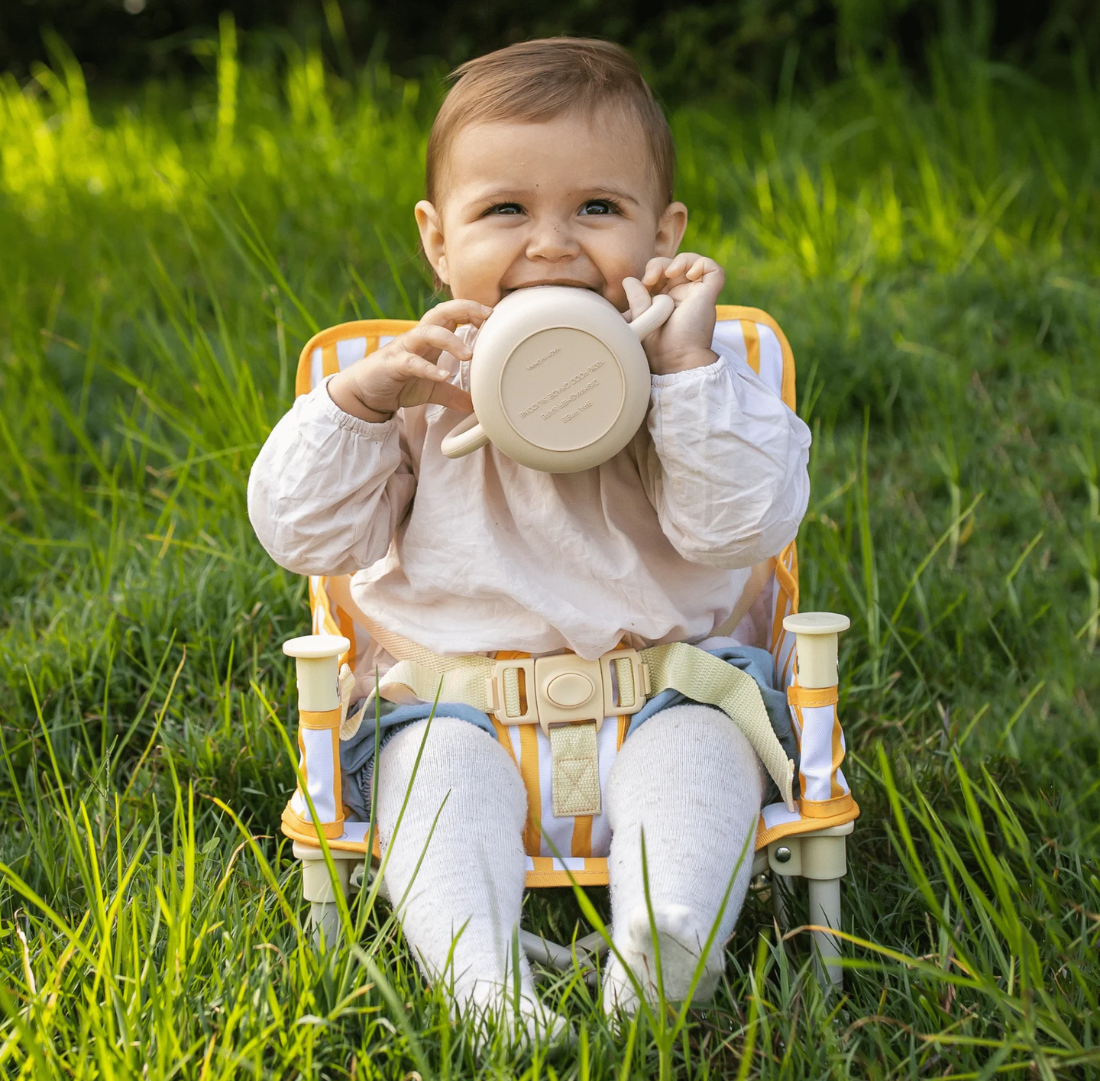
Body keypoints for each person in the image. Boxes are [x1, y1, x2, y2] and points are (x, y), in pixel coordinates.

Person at [248, 37, 810, 1035]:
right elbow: (301, 535)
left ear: (661, 231)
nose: (551, 244)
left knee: (704, 757)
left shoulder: (706, 372)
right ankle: (478, 978)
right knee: (430, 783)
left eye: (597, 208)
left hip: (664, 692)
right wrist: (359, 404)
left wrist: (678, 378)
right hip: (453, 712)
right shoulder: (410, 386)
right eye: (504, 209)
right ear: (436, 240)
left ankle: (667, 938)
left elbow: (745, 526)